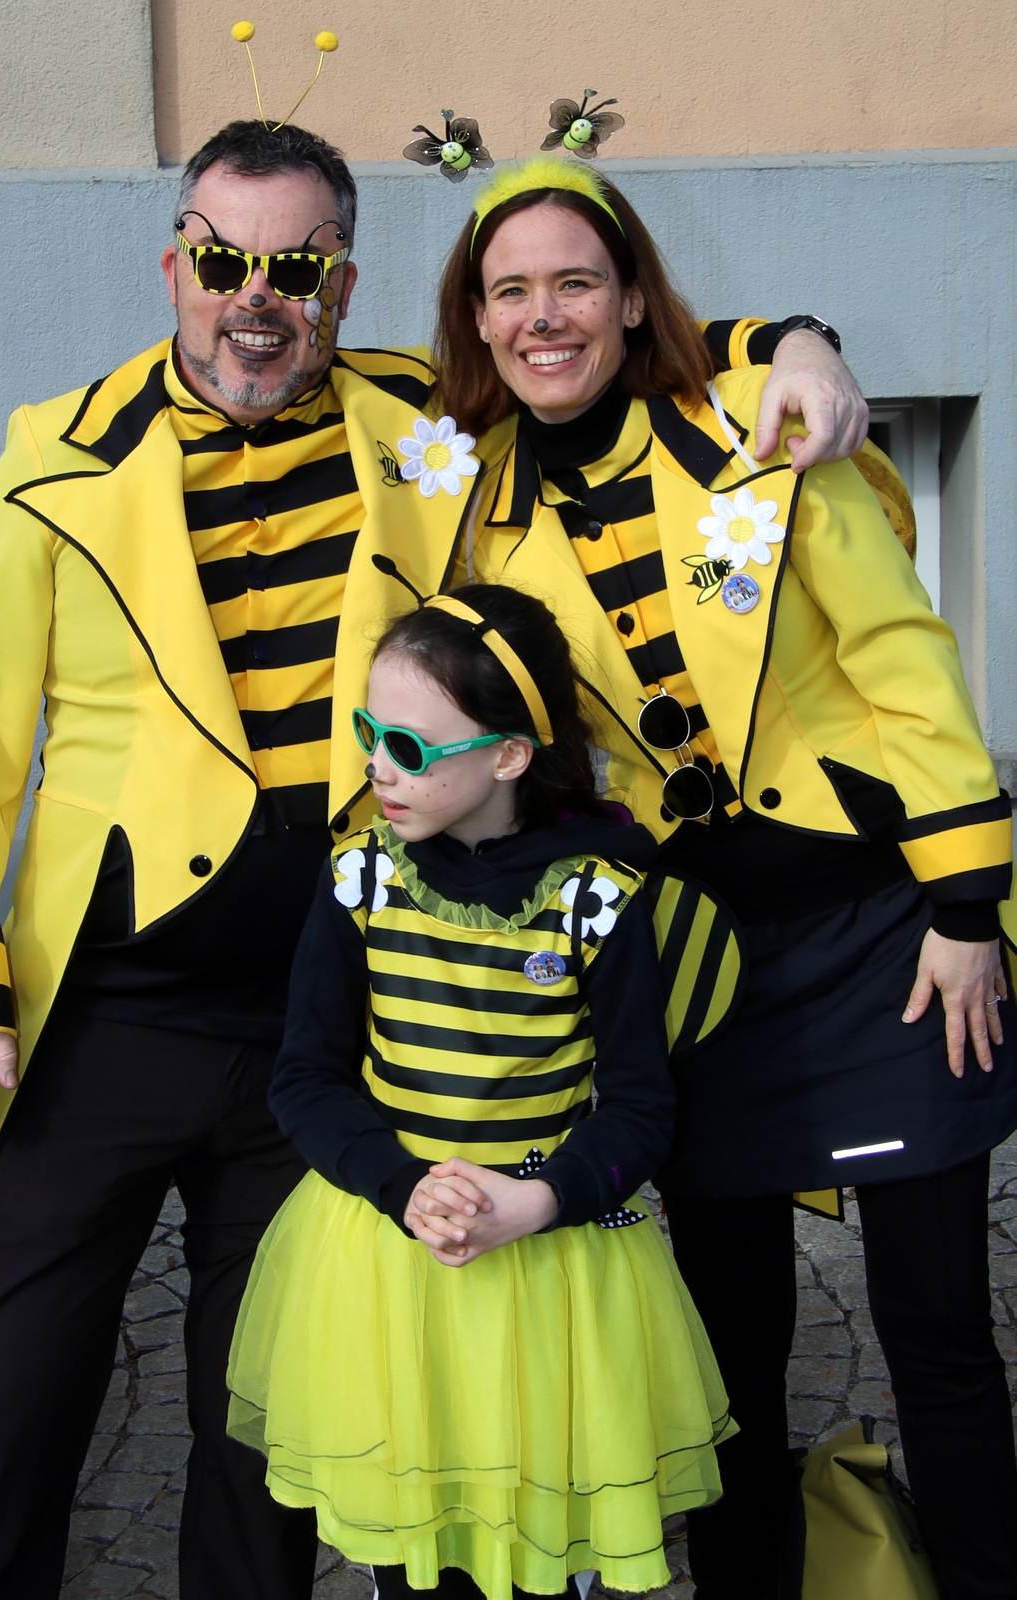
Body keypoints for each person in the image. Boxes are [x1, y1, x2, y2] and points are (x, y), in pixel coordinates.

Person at [0, 103, 865, 1597]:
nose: (255, 296)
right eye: (224, 258)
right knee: (0, 1406)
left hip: (333, 1012)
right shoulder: (57, 461)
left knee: (270, 1434)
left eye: (298, 266)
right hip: (105, 1011)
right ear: (173, 267)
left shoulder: (424, 429)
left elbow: (590, 353)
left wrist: (792, 343)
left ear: (342, 282)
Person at [436, 154, 1017, 1599]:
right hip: (693, 981)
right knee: (728, 1355)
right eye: (511, 291)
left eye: (576, 281)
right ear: (479, 318)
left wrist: (964, 908)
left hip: (890, 941)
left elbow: (903, 664)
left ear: (633, 297)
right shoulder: (470, 510)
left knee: (939, 1330)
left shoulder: (757, 433)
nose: (543, 315)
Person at [228, 582, 733, 1600]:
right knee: (411, 1558)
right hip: (388, 1258)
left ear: (506, 755)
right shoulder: (357, 880)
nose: (376, 766)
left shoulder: (597, 900)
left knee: (547, 1550)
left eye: (408, 747)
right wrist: (400, 1185)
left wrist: (539, 1199)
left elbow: (641, 1108)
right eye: (369, 733)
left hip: (552, 1268)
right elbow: (306, 1077)